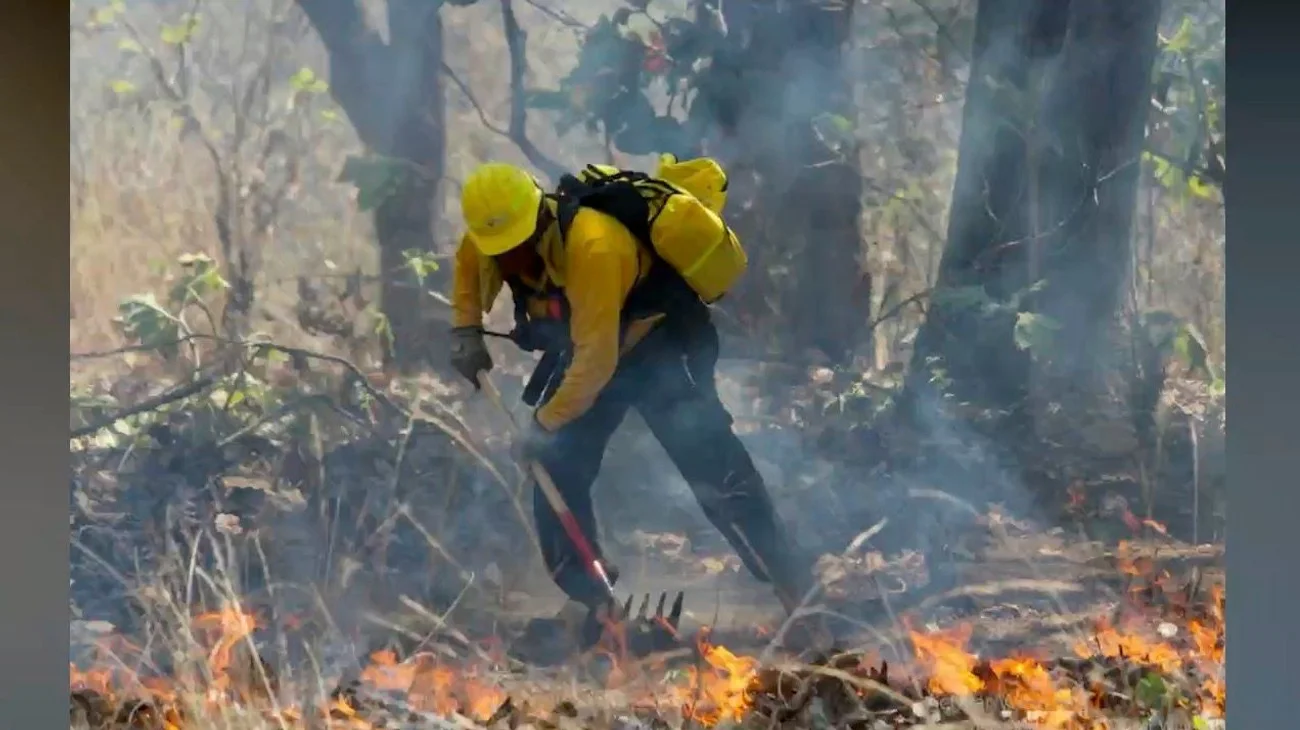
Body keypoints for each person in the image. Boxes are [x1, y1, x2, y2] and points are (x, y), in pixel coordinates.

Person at [446, 161, 813, 648]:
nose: (510, 261)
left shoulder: (594, 245)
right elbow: (473, 261)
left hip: (653, 346)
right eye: (502, 252)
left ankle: (799, 596)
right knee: (553, 469)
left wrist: (543, 422)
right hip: (588, 348)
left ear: (539, 217)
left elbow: (597, 363)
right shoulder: (493, 236)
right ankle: (596, 605)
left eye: (517, 246)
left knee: (717, 474)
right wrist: (466, 328)